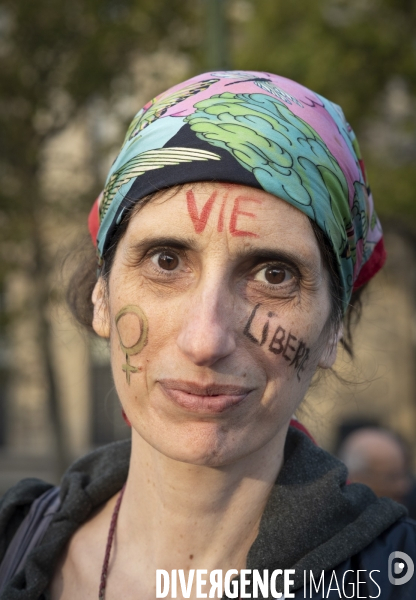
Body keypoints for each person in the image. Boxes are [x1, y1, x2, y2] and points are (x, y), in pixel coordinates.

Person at [0, 71, 415, 600]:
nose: (205, 340)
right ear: (101, 297)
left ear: (333, 327)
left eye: (274, 274)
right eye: (166, 261)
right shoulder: (15, 546)